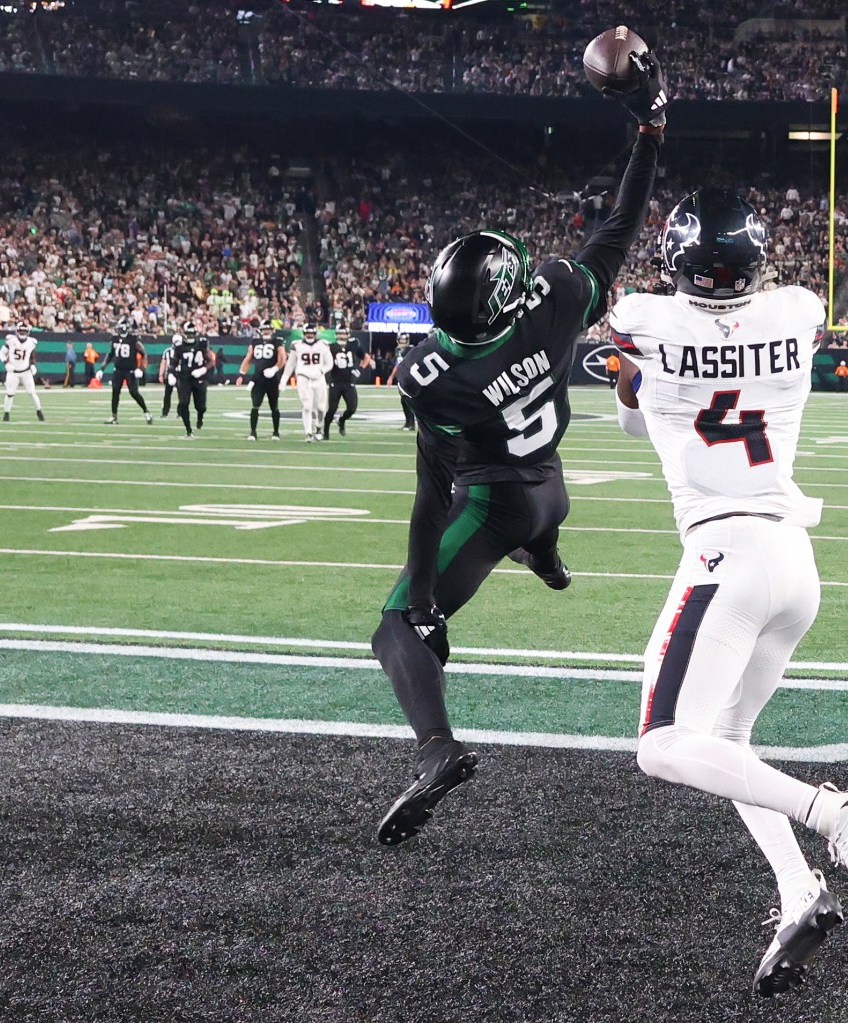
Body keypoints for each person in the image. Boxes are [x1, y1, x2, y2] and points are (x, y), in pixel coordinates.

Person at [371, 44, 668, 847]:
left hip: (495, 501)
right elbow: (620, 226)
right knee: (532, 516)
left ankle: (435, 749)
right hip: (551, 487)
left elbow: (433, 497)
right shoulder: (559, 299)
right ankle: (548, 553)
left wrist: (426, 600)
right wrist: (650, 128)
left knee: (393, 627)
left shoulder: (431, 374)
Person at [608, 188, 848, 998]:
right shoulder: (799, 311)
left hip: (725, 553)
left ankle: (835, 813)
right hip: (795, 561)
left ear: (676, 262)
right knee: (727, 745)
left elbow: (637, 401)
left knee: (662, 743)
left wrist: (631, 379)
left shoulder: (642, 319)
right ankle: (799, 891)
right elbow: (663, 394)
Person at [281, 322, 332, 441]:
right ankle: (308, 432)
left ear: (315, 333)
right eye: (307, 333)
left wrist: (322, 370)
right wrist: (283, 380)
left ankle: (319, 427)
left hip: (319, 377)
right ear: (303, 333)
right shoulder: (297, 345)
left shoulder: (323, 345)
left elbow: (329, 363)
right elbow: (290, 364)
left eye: (311, 333)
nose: (309, 335)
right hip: (303, 377)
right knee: (307, 406)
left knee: (321, 408)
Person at [97, 318, 153, 425]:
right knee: (115, 392)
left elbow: (144, 354)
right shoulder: (114, 339)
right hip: (118, 370)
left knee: (134, 392)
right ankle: (114, 416)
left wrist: (141, 369)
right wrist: (101, 369)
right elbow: (110, 354)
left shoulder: (133, 339)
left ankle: (146, 411)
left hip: (130, 370)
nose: (117, 330)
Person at [323, 325, 373, 439]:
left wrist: (359, 370)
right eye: (340, 333)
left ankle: (341, 420)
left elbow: (366, 358)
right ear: (336, 335)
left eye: (344, 333)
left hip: (349, 381)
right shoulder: (331, 347)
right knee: (332, 409)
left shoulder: (353, 344)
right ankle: (325, 431)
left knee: (352, 408)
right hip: (335, 381)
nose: (342, 336)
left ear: (348, 334)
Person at [239, 319, 286, 440]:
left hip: (272, 378)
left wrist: (275, 369)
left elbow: (282, 358)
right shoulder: (255, 342)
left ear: (272, 330)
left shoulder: (277, 341)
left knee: (274, 406)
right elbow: (248, 358)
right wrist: (241, 374)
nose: (266, 332)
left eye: (268, 330)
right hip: (258, 378)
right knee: (255, 405)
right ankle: (253, 432)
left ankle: (276, 432)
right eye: (264, 330)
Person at [0, 323, 45, 422]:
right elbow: (1, 353)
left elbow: (31, 355)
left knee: (32, 392)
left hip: (26, 371)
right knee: (10, 393)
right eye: (21, 331)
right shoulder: (11, 340)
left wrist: (32, 364)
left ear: (27, 332)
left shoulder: (31, 342)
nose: (22, 333)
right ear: (17, 331)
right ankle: (6, 414)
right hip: (13, 372)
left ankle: (39, 411)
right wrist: (6, 363)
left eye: (24, 332)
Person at [173, 328, 214, 437]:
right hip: (184, 378)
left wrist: (202, 370)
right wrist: (171, 374)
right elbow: (174, 362)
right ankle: (188, 429)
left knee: (201, 407)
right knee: (183, 403)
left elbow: (211, 361)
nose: (190, 336)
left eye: (192, 334)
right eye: (188, 334)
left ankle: (200, 417)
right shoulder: (179, 347)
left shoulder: (201, 345)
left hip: (199, 378)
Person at [386, 333, 416, 430]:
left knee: (407, 401)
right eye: (401, 340)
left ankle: (411, 423)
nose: (403, 342)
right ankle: (408, 423)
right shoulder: (397, 350)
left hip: (411, 377)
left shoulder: (411, 349)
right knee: (404, 401)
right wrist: (391, 377)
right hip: (403, 378)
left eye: (404, 340)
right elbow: (397, 365)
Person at [159, 332, 180, 417]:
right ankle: (165, 412)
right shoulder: (167, 351)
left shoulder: (184, 350)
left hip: (180, 374)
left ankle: (181, 412)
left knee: (182, 395)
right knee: (167, 394)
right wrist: (161, 374)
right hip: (170, 373)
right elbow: (163, 363)